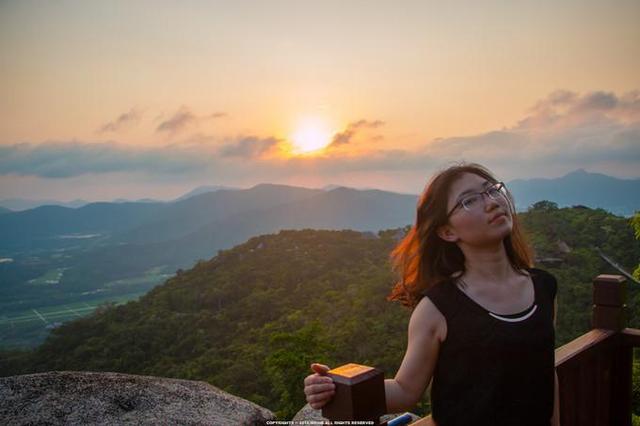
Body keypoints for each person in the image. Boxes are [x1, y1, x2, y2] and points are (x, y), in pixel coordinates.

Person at [303, 163, 560, 426]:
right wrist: (334, 385)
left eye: (492, 190)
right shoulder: (438, 309)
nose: (492, 202)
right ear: (447, 232)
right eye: (469, 200)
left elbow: (545, 371)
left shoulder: (543, 287)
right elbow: (405, 390)